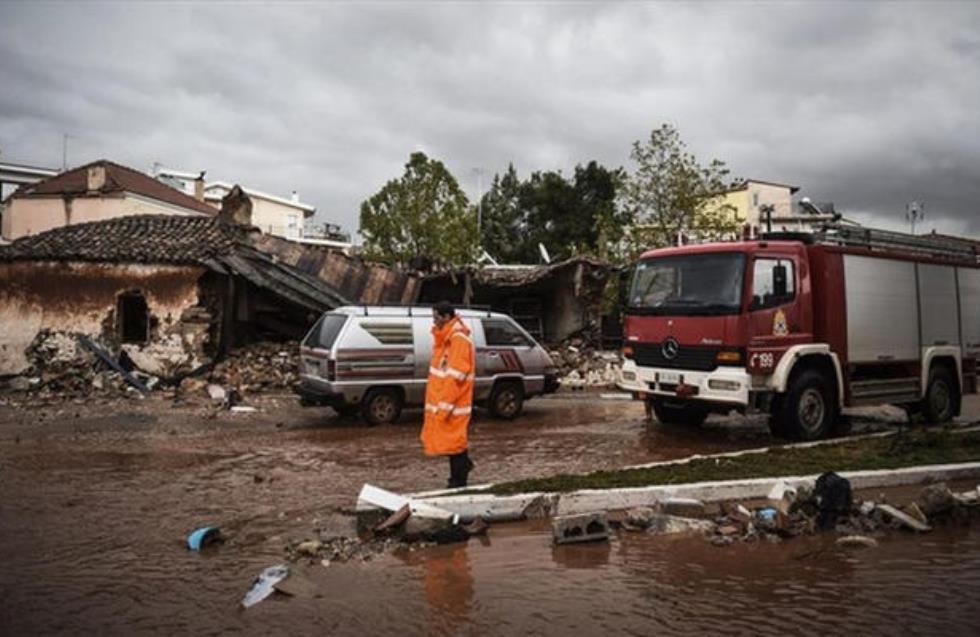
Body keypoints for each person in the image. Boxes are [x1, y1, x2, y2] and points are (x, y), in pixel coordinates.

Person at [420, 301, 475, 488]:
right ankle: (460, 474)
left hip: (453, 403)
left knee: (455, 442)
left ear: (446, 317)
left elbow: (456, 376)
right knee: (451, 442)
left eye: (436, 318)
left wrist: (445, 405)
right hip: (446, 401)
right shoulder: (446, 339)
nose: (434, 322)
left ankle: (459, 480)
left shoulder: (457, 340)